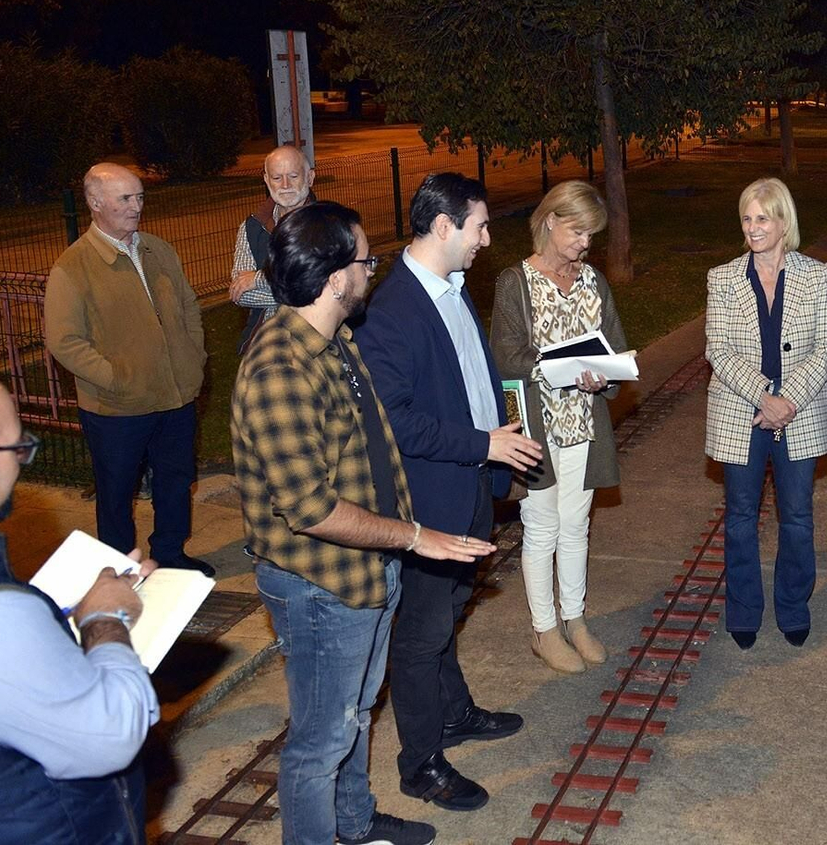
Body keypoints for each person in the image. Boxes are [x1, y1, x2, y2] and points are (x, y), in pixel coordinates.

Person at [233, 200, 496, 845]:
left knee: (353, 719)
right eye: (364, 260)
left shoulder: (337, 339)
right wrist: (414, 537)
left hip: (366, 571)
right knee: (317, 744)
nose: (372, 270)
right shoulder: (279, 369)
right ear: (332, 278)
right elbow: (311, 507)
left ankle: (353, 822)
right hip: (321, 584)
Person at [355, 174, 541, 814]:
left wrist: (498, 444)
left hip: (467, 487)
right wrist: (483, 444)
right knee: (420, 634)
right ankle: (420, 765)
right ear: (443, 226)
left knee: (449, 612)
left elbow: (471, 378)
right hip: (427, 503)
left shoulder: (453, 289)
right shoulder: (394, 309)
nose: (487, 240)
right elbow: (394, 419)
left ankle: (454, 712)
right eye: (480, 227)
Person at [0, 365, 159, 844]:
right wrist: (104, 618)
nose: (22, 461)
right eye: (15, 448)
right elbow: (112, 733)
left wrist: (55, 619)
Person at [44, 162, 212, 575]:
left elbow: (189, 306)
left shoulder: (158, 249)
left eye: (139, 197)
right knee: (116, 494)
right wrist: (116, 378)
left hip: (175, 395)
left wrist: (194, 354)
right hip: (116, 409)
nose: (137, 206)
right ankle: (119, 569)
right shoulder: (73, 267)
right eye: (125, 198)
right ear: (95, 203)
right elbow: (64, 340)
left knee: (175, 482)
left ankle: (170, 556)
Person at [490, 180, 628, 674]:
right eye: (577, 232)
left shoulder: (593, 282)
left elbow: (614, 348)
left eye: (591, 236)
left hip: (583, 427)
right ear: (550, 220)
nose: (584, 244)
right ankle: (543, 629)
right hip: (536, 427)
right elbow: (505, 356)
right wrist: (556, 365)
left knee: (576, 528)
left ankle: (575, 618)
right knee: (541, 527)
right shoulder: (517, 282)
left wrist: (601, 375)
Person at [704, 177, 827, 649]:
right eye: (746, 217)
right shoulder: (722, 278)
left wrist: (790, 401)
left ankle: (793, 606)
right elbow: (717, 350)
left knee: (797, 517)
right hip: (741, 410)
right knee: (740, 517)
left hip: (799, 413)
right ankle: (743, 611)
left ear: (784, 222)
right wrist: (765, 397)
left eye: (762, 217)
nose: (753, 226)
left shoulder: (816, 274)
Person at [231, 143, 316, 353]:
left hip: (316, 343)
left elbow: (324, 286)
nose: (285, 184)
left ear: (310, 177)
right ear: (266, 180)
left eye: (293, 176)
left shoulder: (329, 224)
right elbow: (240, 294)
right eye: (277, 178)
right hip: (265, 346)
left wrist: (259, 279)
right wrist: (301, 291)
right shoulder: (252, 228)